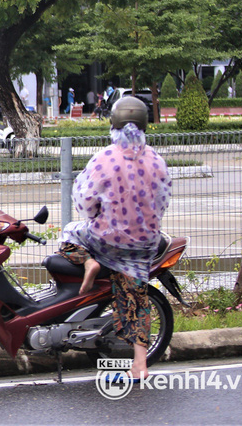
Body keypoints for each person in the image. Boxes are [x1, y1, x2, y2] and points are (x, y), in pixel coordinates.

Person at [70, 96, 172, 381]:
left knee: (68, 232)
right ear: (145, 125)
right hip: (142, 246)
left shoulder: (105, 158)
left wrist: (100, 215)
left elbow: (84, 202)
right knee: (137, 299)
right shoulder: (157, 160)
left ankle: (89, 262)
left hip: (106, 241)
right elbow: (164, 200)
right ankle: (140, 364)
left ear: (113, 125)